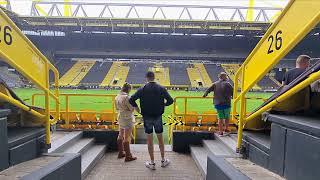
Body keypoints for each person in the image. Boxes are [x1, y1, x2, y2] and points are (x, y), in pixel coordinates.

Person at [129, 71, 173, 170]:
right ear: (154, 77)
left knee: (149, 140)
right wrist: (163, 105)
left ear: (146, 78)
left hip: (146, 117)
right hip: (158, 117)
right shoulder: (161, 88)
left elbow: (131, 99)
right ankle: (163, 161)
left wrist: (137, 109)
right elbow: (170, 100)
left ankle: (152, 163)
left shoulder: (142, 89)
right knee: (160, 139)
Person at [203, 72, 233, 137]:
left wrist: (205, 94)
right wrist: (233, 96)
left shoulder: (215, 84)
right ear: (224, 77)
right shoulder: (228, 84)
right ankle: (226, 129)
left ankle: (221, 132)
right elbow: (233, 91)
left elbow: (208, 90)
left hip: (218, 103)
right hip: (226, 103)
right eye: (226, 76)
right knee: (227, 117)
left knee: (220, 118)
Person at [115, 83, 139, 162]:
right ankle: (128, 156)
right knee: (127, 137)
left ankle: (121, 152)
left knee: (120, 135)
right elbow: (132, 109)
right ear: (128, 89)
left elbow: (117, 108)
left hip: (120, 117)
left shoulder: (117, 96)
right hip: (127, 118)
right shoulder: (127, 97)